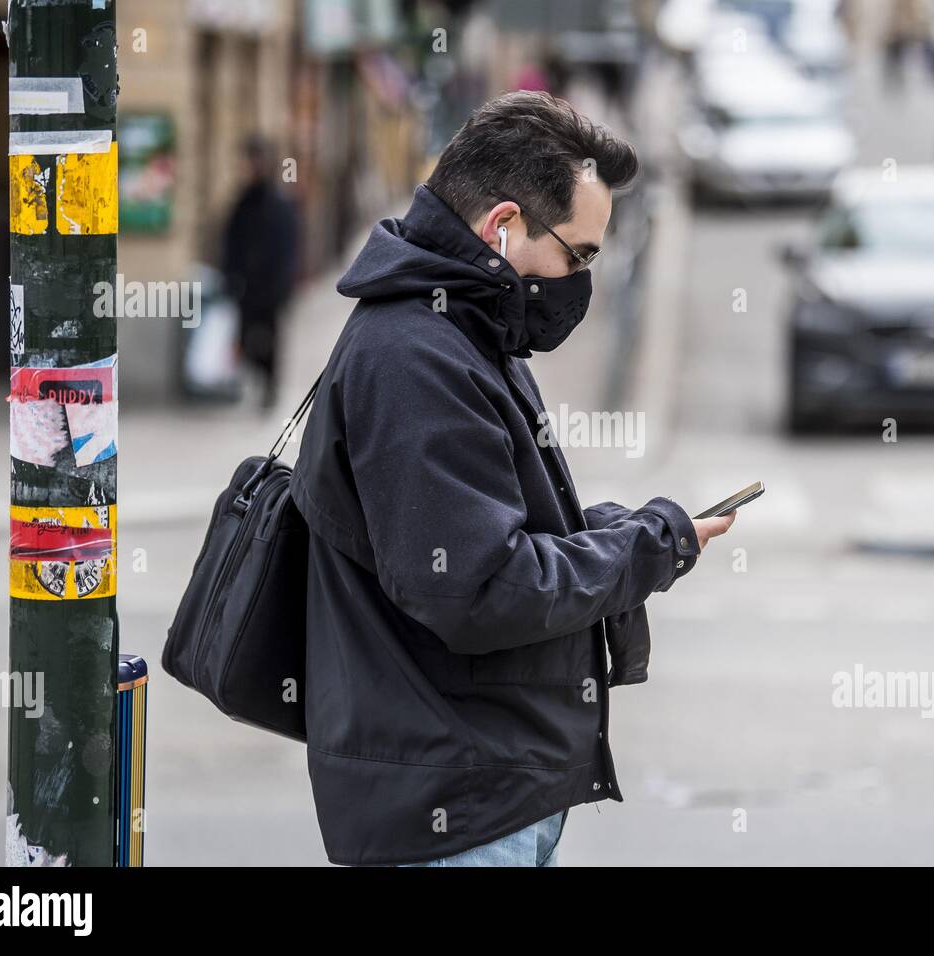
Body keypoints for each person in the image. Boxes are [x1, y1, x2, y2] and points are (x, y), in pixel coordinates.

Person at [289, 91, 736, 867]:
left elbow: (488, 530)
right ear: (502, 227)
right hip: (452, 812)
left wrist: (617, 530)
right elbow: (479, 589)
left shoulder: (467, 332)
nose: (582, 281)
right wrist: (646, 549)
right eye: (579, 254)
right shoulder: (415, 356)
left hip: (481, 792)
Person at [222, 134, 299, 410]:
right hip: (246, 287)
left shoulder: (278, 204)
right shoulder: (243, 202)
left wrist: (283, 286)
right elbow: (231, 240)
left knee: (268, 340)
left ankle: (269, 388)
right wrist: (230, 275)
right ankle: (252, 383)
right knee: (246, 338)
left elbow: (288, 247)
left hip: (270, 288)